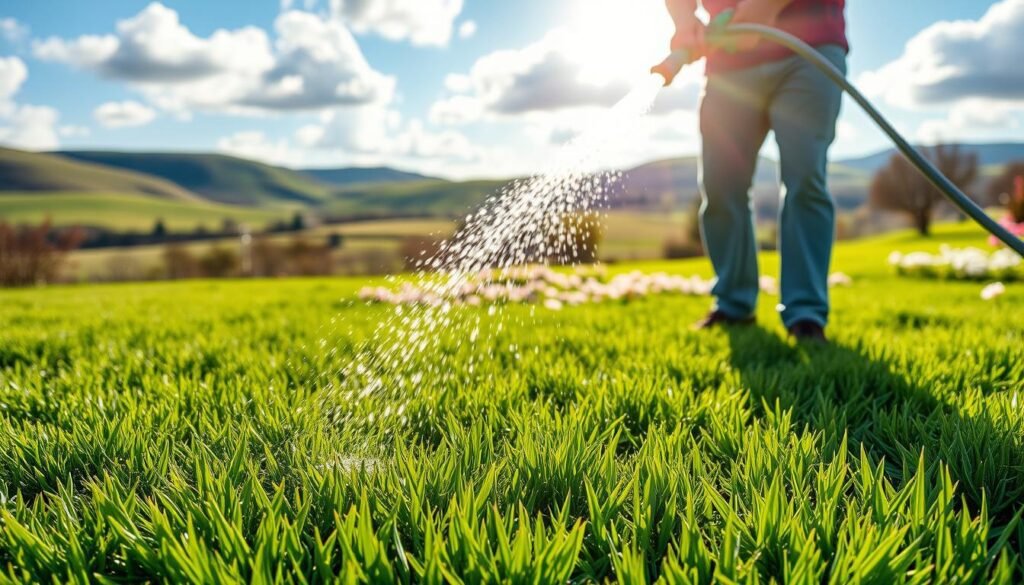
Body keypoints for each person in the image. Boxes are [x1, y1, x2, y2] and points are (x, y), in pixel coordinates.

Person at [663, 0, 848, 343]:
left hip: (806, 47)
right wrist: (684, 19)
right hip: (729, 63)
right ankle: (734, 305)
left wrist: (763, 7)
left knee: (804, 179)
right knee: (721, 187)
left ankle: (805, 314)